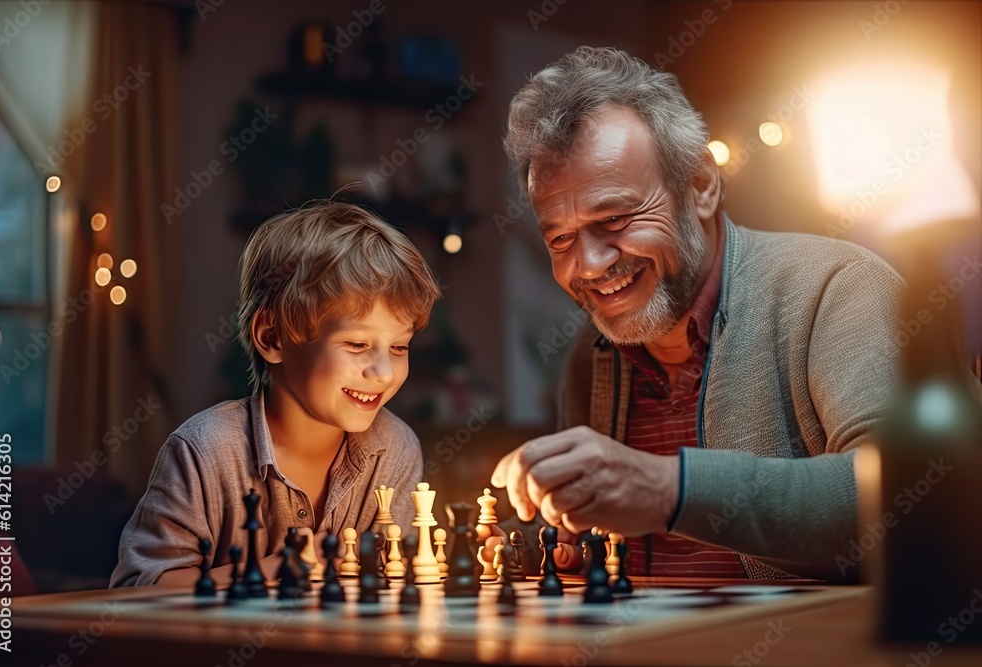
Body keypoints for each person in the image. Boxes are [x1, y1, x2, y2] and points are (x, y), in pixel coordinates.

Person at [490, 47, 902, 581]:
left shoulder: (838, 287)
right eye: (562, 238)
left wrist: (669, 488)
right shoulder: (588, 359)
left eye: (614, 219)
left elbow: (900, 495)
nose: (588, 265)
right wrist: (550, 544)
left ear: (701, 185)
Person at [111, 201, 441, 587]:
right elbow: (139, 590)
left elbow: (395, 579)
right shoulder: (205, 451)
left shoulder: (395, 449)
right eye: (356, 344)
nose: (384, 372)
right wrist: (271, 571)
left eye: (400, 348)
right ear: (272, 338)